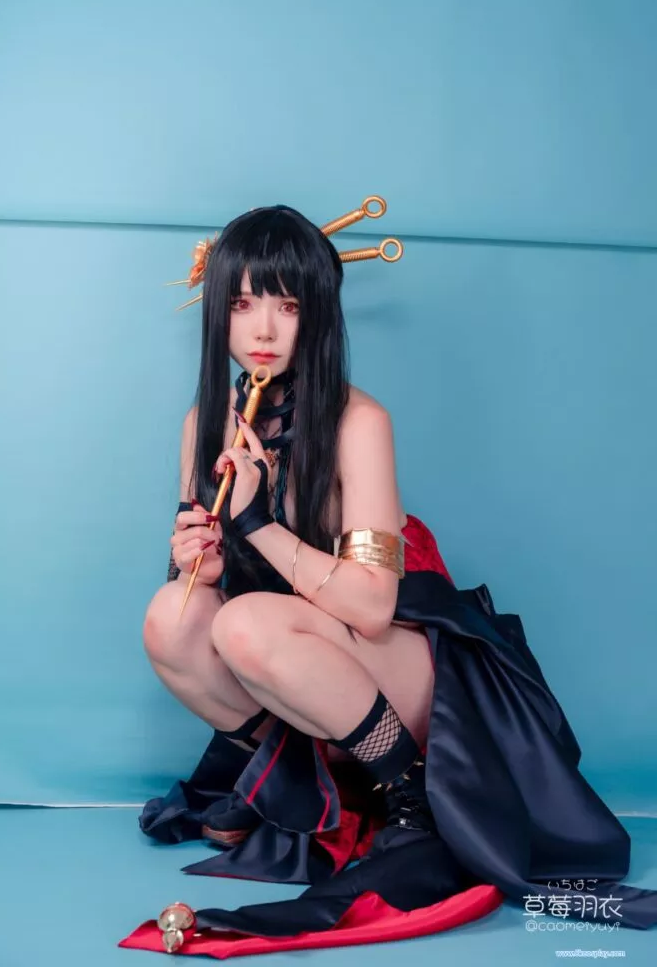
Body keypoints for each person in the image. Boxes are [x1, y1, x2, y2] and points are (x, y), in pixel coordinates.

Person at [121, 206, 657, 957]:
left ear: (319, 313)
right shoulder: (204, 422)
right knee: (172, 617)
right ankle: (284, 778)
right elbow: (202, 576)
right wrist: (198, 566)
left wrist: (259, 526)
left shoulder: (357, 422)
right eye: (242, 304)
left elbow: (373, 608)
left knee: (245, 622)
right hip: (305, 666)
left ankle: (414, 797)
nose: (264, 329)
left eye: (287, 305)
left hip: (411, 666)